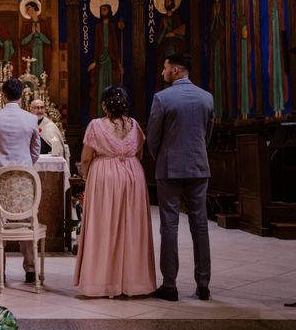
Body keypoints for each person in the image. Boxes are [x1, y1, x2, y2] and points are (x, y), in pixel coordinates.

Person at [73, 86, 156, 298]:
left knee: (104, 227)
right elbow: (139, 153)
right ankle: (134, 283)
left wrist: (86, 175)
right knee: (132, 226)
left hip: (105, 176)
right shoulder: (135, 125)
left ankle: (101, 282)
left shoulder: (96, 125)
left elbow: (85, 157)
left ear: (103, 104)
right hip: (133, 175)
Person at [146, 53, 214, 302]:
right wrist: (196, 153)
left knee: (169, 225)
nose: (162, 73)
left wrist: (162, 156)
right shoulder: (207, 97)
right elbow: (207, 134)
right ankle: (203, 284)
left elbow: (153, 137)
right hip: (198, 166)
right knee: (200, 225)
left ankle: (170, 285)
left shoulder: (162, 98)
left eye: (164, 68)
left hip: (170, 168)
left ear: (175, 70)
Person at [0, 78, 40, 284]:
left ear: (3, 95)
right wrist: (23, 165)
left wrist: (0, 163)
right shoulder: (31, 119)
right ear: (22, 95)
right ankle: (31, 269)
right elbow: (36, 151)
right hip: (25, 179)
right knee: (26, 220)